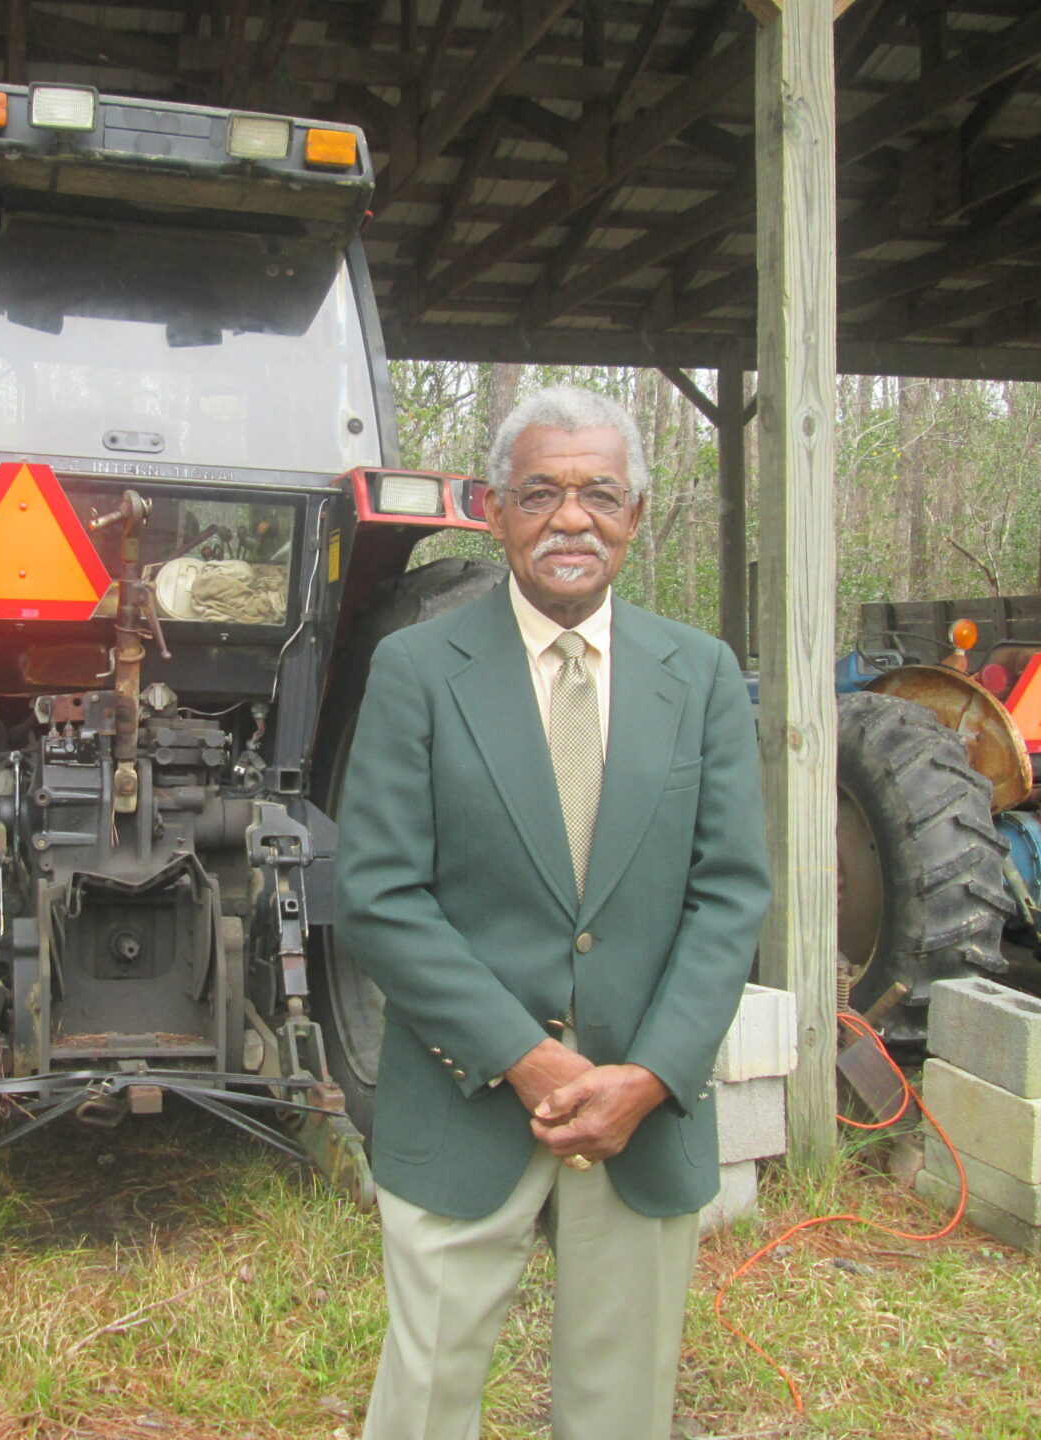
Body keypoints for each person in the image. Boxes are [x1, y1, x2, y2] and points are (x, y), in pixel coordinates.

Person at [333, 385, 771, 1440]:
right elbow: (379, 896)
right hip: (464, 1101)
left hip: (643, 1119)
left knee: (621, 1408)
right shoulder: (417, 671)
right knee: (426, 1400)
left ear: (636, 515)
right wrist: (529, 1058)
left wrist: (654, 1074)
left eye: (599, 494)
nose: (570, 519)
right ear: (493, 508)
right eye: (540, 493)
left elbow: (729, 895)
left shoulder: (701, 675)